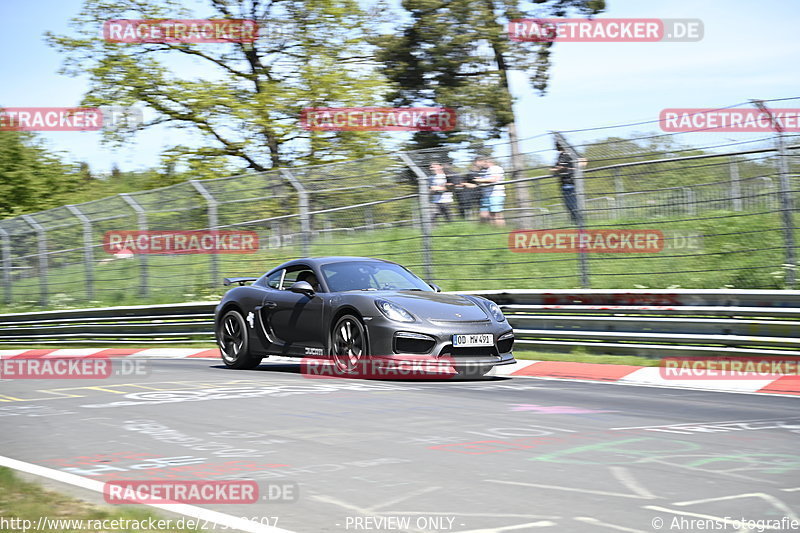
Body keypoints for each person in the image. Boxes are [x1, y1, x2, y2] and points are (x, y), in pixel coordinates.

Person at [551, 141, 587, 225]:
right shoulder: (560, 156)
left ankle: (580, 223)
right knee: (569, 206)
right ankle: (576, 223)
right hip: (564, 184)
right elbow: (554, 169)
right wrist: (559, 169)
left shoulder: (571, 154)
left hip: (572, 184)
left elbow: (584, 161)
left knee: (574, 205)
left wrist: (574, 169)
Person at [474, 157, 505, 226]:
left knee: (496, 214)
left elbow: (494, 179)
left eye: (485, 162)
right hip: (488, 195)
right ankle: (491, 230)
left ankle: (500, 231)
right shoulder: (487, 170)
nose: (483, 164)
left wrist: (480, 180)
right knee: (487, 215)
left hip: (496, 194)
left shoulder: (496, 168)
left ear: (489, 162)